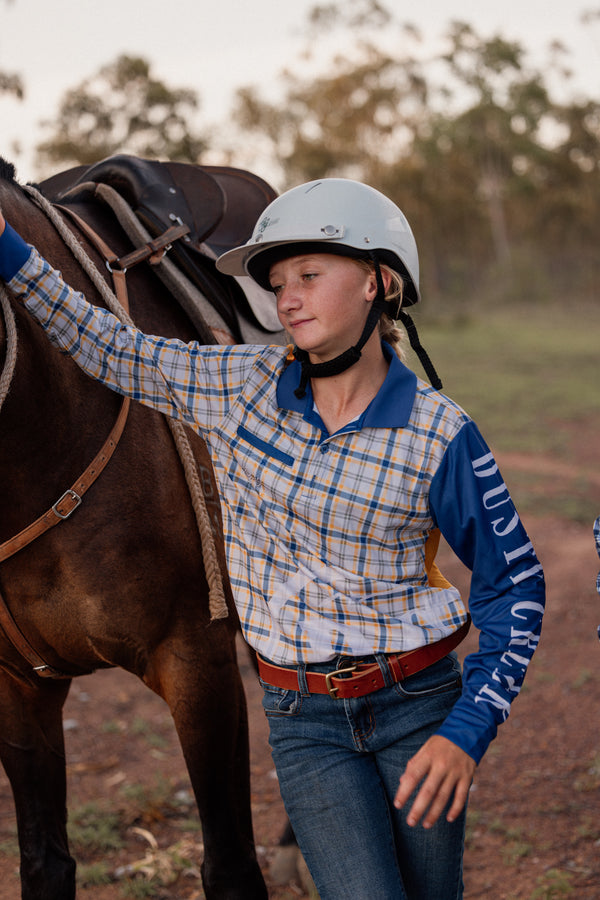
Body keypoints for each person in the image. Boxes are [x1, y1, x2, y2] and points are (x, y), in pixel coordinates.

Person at [0, 178, 545, 900]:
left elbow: (516, 589)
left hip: (420, 706)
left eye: (310, 276)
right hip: (304, 720)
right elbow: (105, 345)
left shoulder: (442, 437)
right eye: (278, 282)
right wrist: (8, 248)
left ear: (380, 282)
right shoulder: (236, 387)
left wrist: (466, 731)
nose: (286, 298)